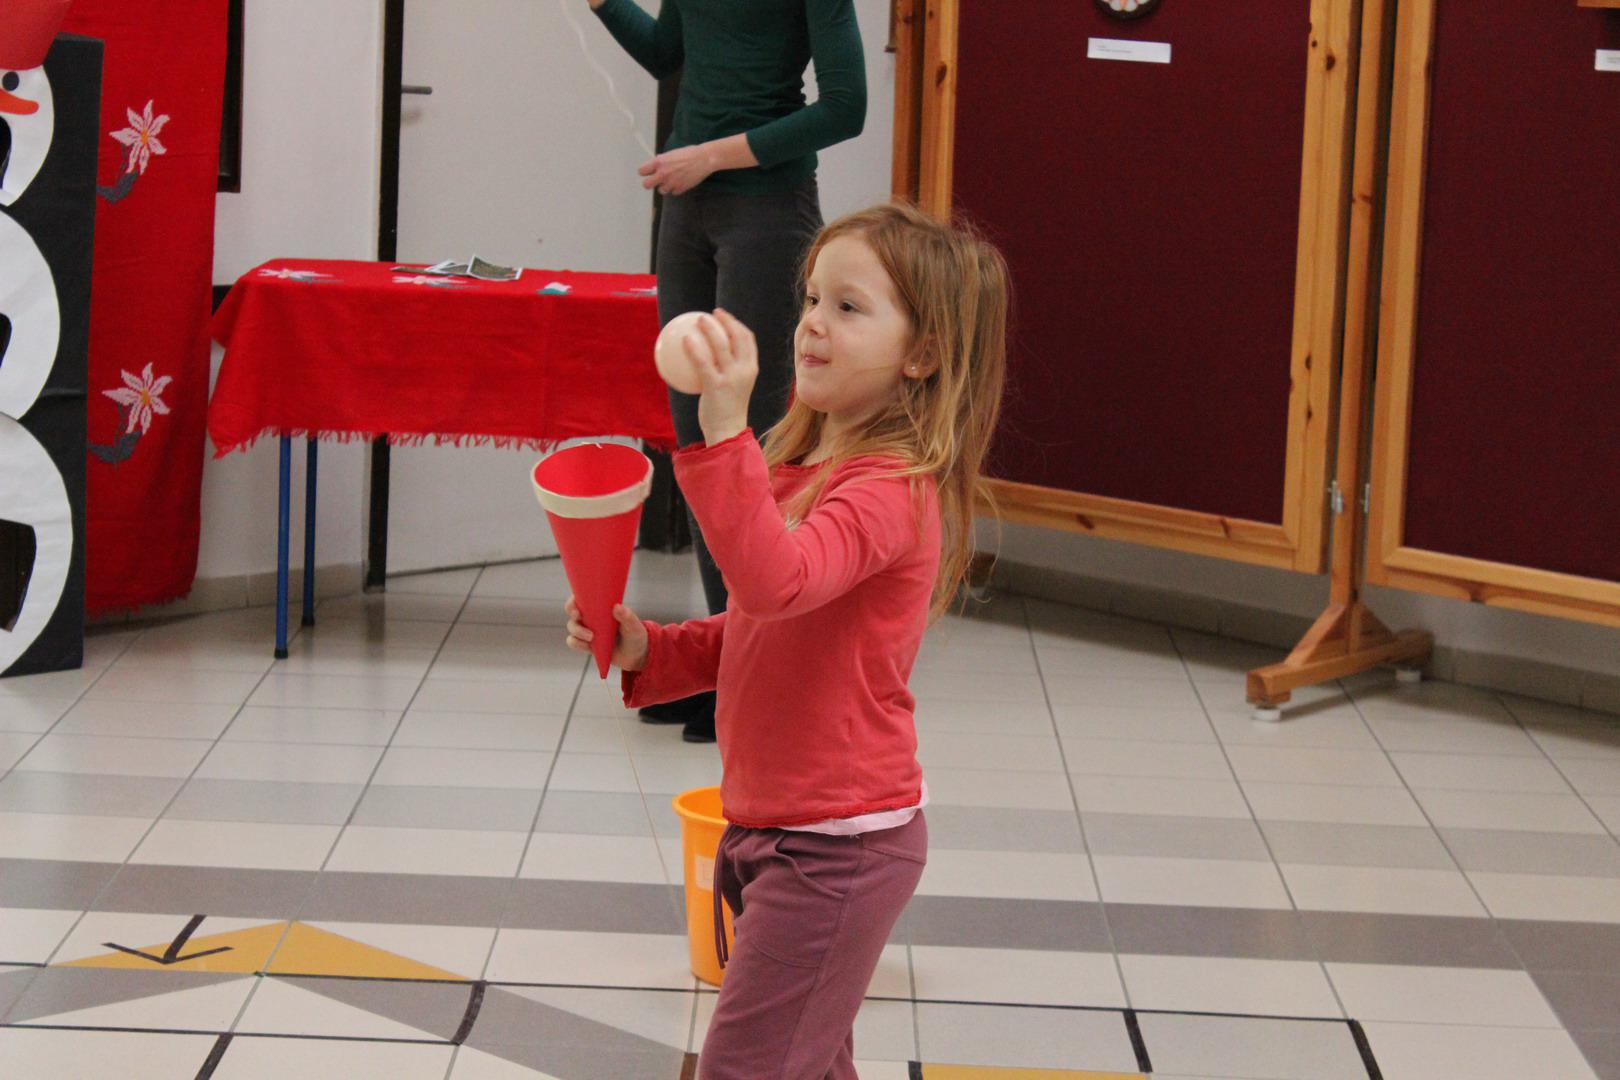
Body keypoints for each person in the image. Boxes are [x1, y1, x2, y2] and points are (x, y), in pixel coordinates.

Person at [564, 203, 1010, 1080]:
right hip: (781, 829)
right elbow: (760, 626)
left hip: (837, 850)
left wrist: (723, 429)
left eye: (849, 307)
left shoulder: (890, 489)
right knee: (803, 1063)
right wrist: (652, 650)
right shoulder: (808, 470)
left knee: (747, 1068)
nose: (812, 323)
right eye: (811, 299)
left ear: (921, 355)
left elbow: (775, 582)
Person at [587, 0, 867, 742]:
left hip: (767, 212)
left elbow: (846, 108)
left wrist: (711, 154)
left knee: (753, 446)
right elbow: (668, 52)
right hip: (689, 213)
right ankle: (720, 665)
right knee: (697, 443)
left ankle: (755, 672)